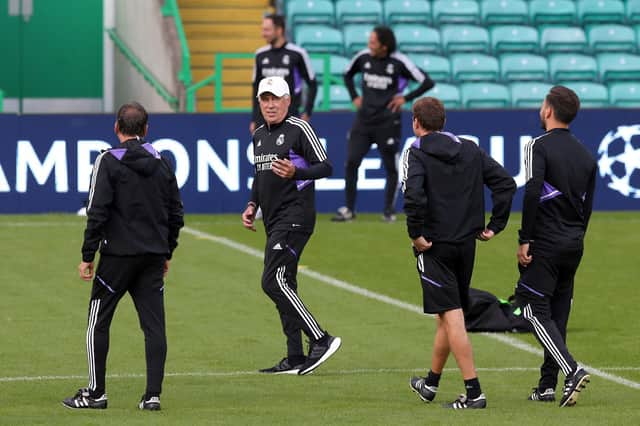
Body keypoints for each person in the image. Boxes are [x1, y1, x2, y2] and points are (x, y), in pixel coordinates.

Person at [62, 102, 184, 411]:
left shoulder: (107, 161)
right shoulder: (163, 163)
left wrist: (87, 255)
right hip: (153, 257)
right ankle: (152, 395)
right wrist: (167, 250)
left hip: (117, 257)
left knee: (98, 322)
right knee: (154, 326)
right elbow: (176, 213)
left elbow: (97, 211)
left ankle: (95, 392)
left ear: (117, 128)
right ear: (146, 130)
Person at [402, 97, 516, 409]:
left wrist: (415, 234)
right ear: (443, 121)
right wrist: (495, 225)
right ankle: (431, 383)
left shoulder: (416, 152)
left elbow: (413, 194)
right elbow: (505, 183)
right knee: (448, 314)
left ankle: (474, 391)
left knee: (452, 316)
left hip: (434, 245)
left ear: (416, 122)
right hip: (466, 244)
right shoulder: (469, 148)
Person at [242, 76, 341, 375]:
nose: (270, 105)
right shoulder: (259, 134)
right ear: (259, 102)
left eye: (276, 99)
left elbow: (326, 166)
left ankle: (321, 339)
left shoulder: (299, 128)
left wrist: (297, 172)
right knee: (285, 283)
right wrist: (252, 204)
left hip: (296, 215)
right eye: (265, 99)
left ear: (287, 100)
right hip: (274, 219)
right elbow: (260, 175)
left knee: (272, 281)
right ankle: (295, 356)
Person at [515, 86, 596, 407]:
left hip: (545, 241)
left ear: (549, 111)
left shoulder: (538, 145)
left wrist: (525, 238)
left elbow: (532, 190)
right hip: (574, 242)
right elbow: (587, 206)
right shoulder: (586, 154)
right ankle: (547, 385)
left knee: (531, 306)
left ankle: (572, 369)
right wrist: (577, 235)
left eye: (542, 105)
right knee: (557, 312)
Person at [332, 25, 435, 223]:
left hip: (388, 121)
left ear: (384, 46)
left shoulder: (399, 61)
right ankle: (349, 210)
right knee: (352, 161)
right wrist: (354, 96)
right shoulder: (363, 57)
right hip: (363, 120)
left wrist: (405, 98)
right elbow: (346, 74)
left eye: (373, 42)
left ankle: (388, 210)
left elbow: (427, 81)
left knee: (390, 167)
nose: (369, 45)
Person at [249, 14, 317, 134]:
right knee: (263, 153)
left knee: (289, 153)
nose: (263, 34)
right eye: (263, 29)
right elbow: (256, 89)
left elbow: (312, 83)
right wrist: (255, 119)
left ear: (279, 30)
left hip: (290, 116)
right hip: (264, 119)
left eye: (267, 30)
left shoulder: (297, 54)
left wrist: (307, 112)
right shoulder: (260, 55)